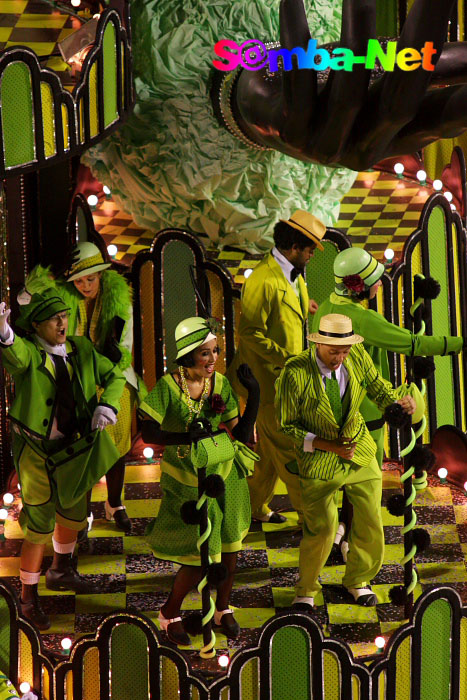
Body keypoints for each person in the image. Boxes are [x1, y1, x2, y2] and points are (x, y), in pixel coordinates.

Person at [313, 248, 465, 554]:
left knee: (347, 477)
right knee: (363, 485)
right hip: (366, 411)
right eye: (376, 279)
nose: (381, 284)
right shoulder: (362, 318)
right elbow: (412, 343)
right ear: (360, 285)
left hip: (333, 406)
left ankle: (340, 529)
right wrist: (458, 343)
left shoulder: (327, 306)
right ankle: (353, 550)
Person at [0, 292, 125, 630]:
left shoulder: (82, 350)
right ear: (37, 324)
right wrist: (3, 331)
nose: (62, 324)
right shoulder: (31, 352)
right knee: (39, 521)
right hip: (37, 450)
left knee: (72, 509)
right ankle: (28, 596)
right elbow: (16, 355)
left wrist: (107, 405)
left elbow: (115, 376)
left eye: (65, 316)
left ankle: (61, 570)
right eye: (54, 318)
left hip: (74, 448)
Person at [275, 313, 416, 608]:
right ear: (318, 345)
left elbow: (378, 389)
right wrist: (328, 445)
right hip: (319, 462)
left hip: (359, 452)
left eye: (344, 350)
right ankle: (307, 589)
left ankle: (358, 580)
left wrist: (398, 402)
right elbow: (287, 426)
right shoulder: (295, 372)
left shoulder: (357, 356)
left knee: (370, 522)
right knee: (323, 529)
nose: (339, 357)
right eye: (333, 351)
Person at [139, 317, 259, 645]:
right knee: (196, 556)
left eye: (215, 351)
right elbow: (148, 431)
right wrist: (183, 437)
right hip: (185, 481)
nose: (213, 359)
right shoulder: (168, 386)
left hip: (224, 474)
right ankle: (169, 612)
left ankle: (222, 608)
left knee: (231, 550)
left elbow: (242, 434)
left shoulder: (219, 384)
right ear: (188, 354)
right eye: (205, 353)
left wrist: (255, 394)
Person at [23, 242, 145, 533]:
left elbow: (125, 353)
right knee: (81, 442)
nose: (85, 285)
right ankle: (80, 510)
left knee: (116, 436)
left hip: (115, 376)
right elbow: (29, 302)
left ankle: (114, 504)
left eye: (90, 278)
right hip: (75, 377)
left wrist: (111, 363)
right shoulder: (63, 298)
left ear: (102, 275)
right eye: (78, 279)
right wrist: (42, 278)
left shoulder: (120, 301)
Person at [227, 210, 325, 524]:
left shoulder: (292, 273)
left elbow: (287, 307)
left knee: (268, 456)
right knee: (291, 453)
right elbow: (249, 333)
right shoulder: (262, 280)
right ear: (294, 247)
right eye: (310, 249)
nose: (312, 255)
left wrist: (304, 306)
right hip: (267, 383)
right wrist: (288, 359)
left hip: (285, 381)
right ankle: (314, 520)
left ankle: (249, 508)